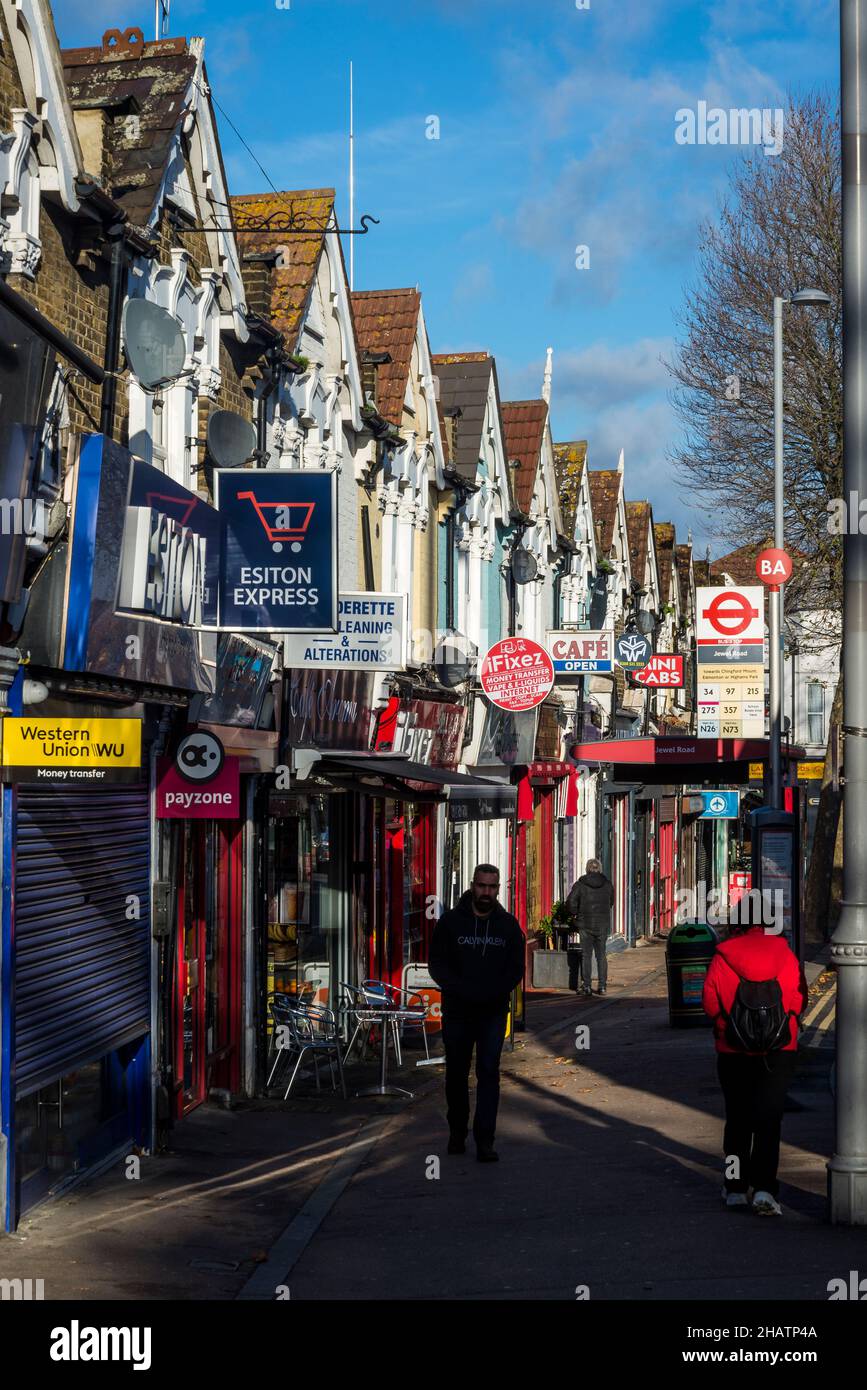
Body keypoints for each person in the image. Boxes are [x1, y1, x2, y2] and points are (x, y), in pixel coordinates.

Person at [701, 922, 807, 1216]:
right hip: (778, 1051)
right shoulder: (786, 955)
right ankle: (764, 1190)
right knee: (768, 1123)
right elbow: (799, 1000)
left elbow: (710, 1005)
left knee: (737, 1121)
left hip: (733, 1050)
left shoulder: (722, 956)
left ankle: (735, 1188)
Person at [428, 864, 525, 1163]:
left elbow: (515, 969)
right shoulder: (450, 923)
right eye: (481, 886)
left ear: (498, 889)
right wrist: (459, 989)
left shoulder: (508, 926)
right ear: (472, 886)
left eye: (492, 887)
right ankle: (457, 1131)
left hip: (493, 1012)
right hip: (457, 1011)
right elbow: (437, 965)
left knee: (488, 1073)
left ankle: (485, 1140)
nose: (486, 892)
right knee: (456, 1073)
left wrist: (494, 991)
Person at [565, 859, 614, 996]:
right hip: (602, 925)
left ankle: (586, 986)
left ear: (587, 869)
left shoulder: (580, 885)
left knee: (586, 955)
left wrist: (575, 914)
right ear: (600, 869)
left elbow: (570, 903)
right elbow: (611, 902)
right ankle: (602, 986)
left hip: (585, 924)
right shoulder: (608, 884)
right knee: (601, 956)